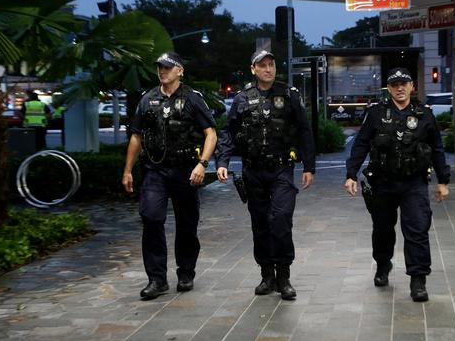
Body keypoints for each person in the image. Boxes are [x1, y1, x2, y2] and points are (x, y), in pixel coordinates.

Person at [215, 49, 316, 300]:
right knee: (260, 224)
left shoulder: (289, 95)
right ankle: (266, 275)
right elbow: (228, 132)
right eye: (263, 65)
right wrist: (223, 161)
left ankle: (284, 276)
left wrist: (310, 167)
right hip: (253, 170)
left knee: (280, 219)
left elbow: (304, 130)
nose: (268, 69)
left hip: (281, 169)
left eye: (271, 64)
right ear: (253, 69)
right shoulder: (241, 99)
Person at [345, 67, 450, 302]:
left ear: (412, 86)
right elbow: (361, 144)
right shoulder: (376, 113)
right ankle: (383, 265)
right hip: (383, 182)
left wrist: (443, 181)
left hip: (414, 183)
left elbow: (437, 149)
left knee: (417, 230)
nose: (400, 88)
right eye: (395, 84)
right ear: (389, 88)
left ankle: (418, 279)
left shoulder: (425, 114)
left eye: (404, 83)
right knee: (382, 230)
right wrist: (351, 174)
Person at [122, 51, 217, 300]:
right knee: (151, 218)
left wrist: (202, 164)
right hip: (155, 171)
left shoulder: (193, 99)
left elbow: (211, 134)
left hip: (186, 171)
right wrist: (127, 170)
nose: (162, 71)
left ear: (180, 71)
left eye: (168, 67)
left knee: (187, 224)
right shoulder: (147, 100)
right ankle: (157, 279)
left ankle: (186, 272)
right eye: (160, 67)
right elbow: (136, 136)